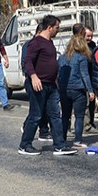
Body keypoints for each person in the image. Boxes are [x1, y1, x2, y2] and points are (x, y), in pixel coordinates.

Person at [19, 15, 77, 156]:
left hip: (51, 85)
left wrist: (55, 80)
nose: (58, 30)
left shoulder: (49, 43)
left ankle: (59, 145)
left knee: (55, 115)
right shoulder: (36, 42)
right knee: (36, 115)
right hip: (38, 85)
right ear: (49, 27)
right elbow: (28, 61)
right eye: (57, 27)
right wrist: (33, 77)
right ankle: (25, 145)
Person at [58, 35, 95, 149]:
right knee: (79, 116)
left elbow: (59, 74)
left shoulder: (61, 58)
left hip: (64, 89)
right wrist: (90, 90)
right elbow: (85, 75)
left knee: (65, 116)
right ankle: (77, 140)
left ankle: (62, 139)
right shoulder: (82, 58)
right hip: (78, 89)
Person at [21, 23, 50, 143]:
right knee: (36, 109)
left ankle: (43, 131)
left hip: (44, 82)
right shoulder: (30, 44)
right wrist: (32, 77)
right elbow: (25, 63)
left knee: (43, 108)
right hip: (33, 81)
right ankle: (27, 129)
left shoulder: (47, 43)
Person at [83, 26, 98, 133]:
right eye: (88, 36)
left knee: (92, 102)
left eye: (91, 36)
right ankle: (86, 125)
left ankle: (91, 122)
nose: (89, 38)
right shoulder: (80, 47)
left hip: (92, 76)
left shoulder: (93, 45)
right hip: (84, 77)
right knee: (86, 103)